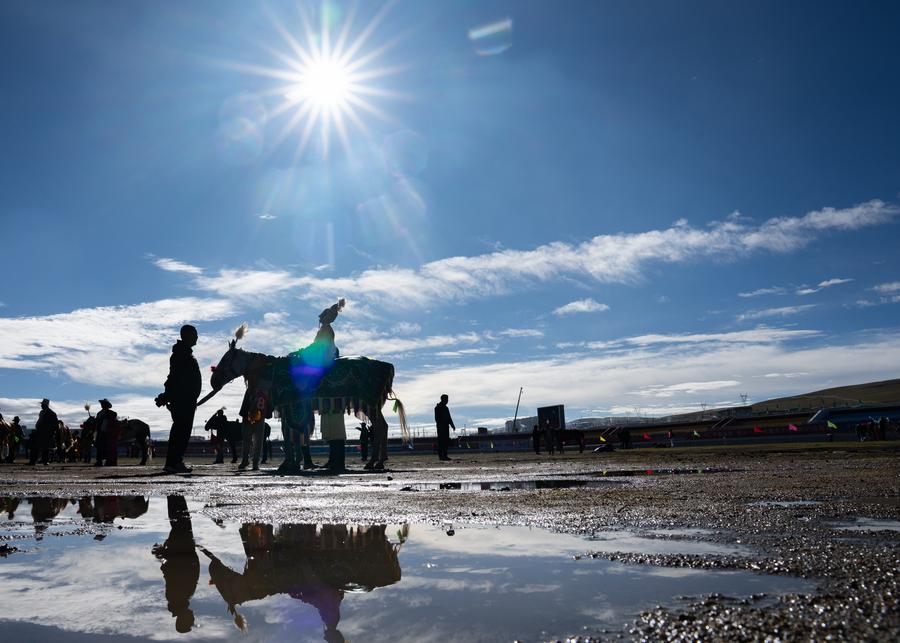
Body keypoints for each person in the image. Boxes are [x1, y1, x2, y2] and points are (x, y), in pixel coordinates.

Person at [155, 325, 202, 474]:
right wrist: (167, 395)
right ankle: (173, 462)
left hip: (187, 400)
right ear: (187, 336)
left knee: (181, 432)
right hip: (183, 400)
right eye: (194, 334)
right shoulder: (181, 354)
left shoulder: (184, 353)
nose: (197, 337)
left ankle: (175, 461)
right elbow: (174, 378)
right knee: (180, 432)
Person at [152, 495, 199, 633]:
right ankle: (174, 493)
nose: (193, 618)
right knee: (180, 520)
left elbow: (171, 572)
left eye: (190, 621)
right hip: (182, 549)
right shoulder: (178, 599)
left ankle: (174, 492)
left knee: (180, 520)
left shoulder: (179, 597)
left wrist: (165, 555)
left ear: (183, 619)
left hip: (182, 548)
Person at [239, 390, 267, 471]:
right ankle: (248, 460)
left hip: (258, 417)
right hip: (250, 417)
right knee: (250, 440)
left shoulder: (260, 389)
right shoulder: (250, 390)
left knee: (256, 441)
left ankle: (253, 461)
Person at [29, 399, 57, 465]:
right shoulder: (41, 412)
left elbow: (55, 424)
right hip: (39, 431)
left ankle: (45, 461)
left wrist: (51, 432)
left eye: (42, 404)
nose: (41, 405)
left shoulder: (52, 413)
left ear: (45, 405)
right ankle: (33, 461)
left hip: (47, 432)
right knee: (35, 446)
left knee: (45, 447)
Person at [320, 409, 347, 474]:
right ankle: (336, 462)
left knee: (334, 438)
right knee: (335, 438)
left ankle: (335, 462)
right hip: (333, 414)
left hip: (333, 413)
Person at [94, 399, 118, 467]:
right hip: (100, 432)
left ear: (106, 405)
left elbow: (113, 422)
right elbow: (97, 422)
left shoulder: (112, 413)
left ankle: (109, 461)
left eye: (103, 404)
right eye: (101, 404)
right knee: (99, 448)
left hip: (108, 433)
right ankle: (99, 461)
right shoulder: (99, 413)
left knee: (107, 448)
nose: (102, 405)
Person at [434, 394, 456, 461]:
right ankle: (441, 456)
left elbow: (449, 417)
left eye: (447, 399)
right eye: (446, 399)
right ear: (443, 399)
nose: (447, 401)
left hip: (446, 427)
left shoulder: (446, 408)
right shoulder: (437, 408)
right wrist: (443, 423)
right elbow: (437, 419)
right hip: (440, 427)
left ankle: (445, 456)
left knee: (446, 441)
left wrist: (452, 425)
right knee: (441, 442)